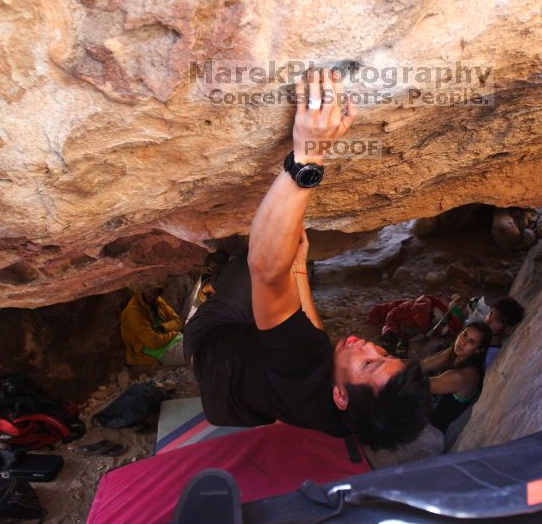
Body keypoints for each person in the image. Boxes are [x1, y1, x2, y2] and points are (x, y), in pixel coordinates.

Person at [183, 68, 430, 450]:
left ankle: (213, 273)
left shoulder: (299, 358)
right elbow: (312, 332)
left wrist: (308, 156)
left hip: (211, 341)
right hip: (234, 393)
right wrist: (299, 268)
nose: (366, 344)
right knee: (289, 258)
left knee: (260, 251)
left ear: (341, 396)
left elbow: (266, 270)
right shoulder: (352, 420)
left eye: (368, 362)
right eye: (381, 352)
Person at [420, 320, 492, 433]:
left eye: (471, 342)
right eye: (464, 334)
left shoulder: (465, 376)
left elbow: (418, 384)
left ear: (479, 350)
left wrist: (388, 368)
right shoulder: (456, 353)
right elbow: (422, 365)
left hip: (430, 431)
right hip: (423, 415)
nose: (462, 342)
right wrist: (388, 360)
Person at [120, 285, 184, 366]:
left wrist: (163, 328)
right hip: (158, 351)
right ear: (141, 290)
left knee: (200, 344)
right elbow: (152, 343)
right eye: (149, 290)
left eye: (155, 290)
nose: (153, 294)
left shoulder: (157, 301)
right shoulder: (133, 311)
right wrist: (173, 334)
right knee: (196, 354)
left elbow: (178, 322)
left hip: (174, 340)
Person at [483, 297, 525, 368]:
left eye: (497, 320)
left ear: (508, 329)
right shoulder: (481, 339)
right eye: (490, 314)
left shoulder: (491, 357)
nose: (488, 320)